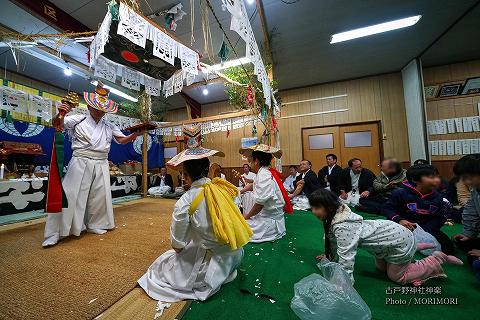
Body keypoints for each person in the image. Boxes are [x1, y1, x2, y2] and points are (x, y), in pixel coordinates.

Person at [139, 125, 252, 302]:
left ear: (184, 174)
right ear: (208, 168)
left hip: (210, 269)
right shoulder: (223, 189)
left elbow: (177, 245)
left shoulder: (185, 201)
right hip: (235, 256)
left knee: (162, 266)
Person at [43, 84, 140, 247]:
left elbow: (121, 139)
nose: (100, 111)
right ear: (88, 106)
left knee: (99, 196)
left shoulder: (109, 125)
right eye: (96, 108)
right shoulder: (78, 118)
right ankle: (56, 232)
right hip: (80, 160)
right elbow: (57, 124)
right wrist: (61, 113)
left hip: (101, 162)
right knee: (70, 194)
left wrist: (136, 134)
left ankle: (96, 224)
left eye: (103, 109)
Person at [308, 189, 462, 285]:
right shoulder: (337, 213)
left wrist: (344, 283)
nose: (313, 212)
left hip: (399, 241)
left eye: (317, 208)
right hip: (387, 241)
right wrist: (329, 255)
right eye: (312, 207)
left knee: (397, 277)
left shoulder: (342, 225)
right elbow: (332, 239)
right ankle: (412, 250)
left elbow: (346, 256)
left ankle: (435, 260)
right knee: (380, 269)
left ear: (328, 207)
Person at [383, 164, 455, 255]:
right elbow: (388, 209)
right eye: (431, 177)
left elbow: (440, 217)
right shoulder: (399, 193)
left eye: (437, 176)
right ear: (415, 179)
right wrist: (400, 220)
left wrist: (425, 230)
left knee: (447, 248)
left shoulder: (440, 197)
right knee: (387, 242)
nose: (436, 180)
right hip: (402, 225)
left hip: (426, 227)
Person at [239, 144, 293, 243]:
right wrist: (239, 191)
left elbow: (259, 206)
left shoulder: (264, 175)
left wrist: (245, 217)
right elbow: (253, 185)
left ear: (256, 161)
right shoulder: (263, 172)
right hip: (264, 216)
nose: (250, 165)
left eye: (250, 161)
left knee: (237, 228)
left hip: (270, 221)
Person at [451, 154, 480, 280]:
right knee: (463, 243)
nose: (468, 182)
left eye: (470, 177)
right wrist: (468, 233)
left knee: (475, 259)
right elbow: (470, 212)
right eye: (464, 179)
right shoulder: (475, 190)